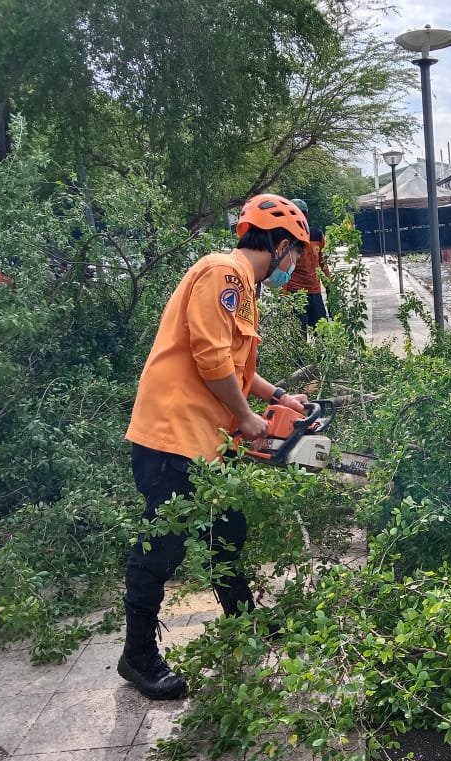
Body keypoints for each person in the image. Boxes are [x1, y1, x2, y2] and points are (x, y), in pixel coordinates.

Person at [119, 194, 310, 700]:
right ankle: (136, 655)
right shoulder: (223, 273)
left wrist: (275, 396)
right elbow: (208, 357)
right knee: (163, 545)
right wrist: (248, 419)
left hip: (202, 442)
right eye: (296, 254)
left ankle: (243, 619)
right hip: (171, 436)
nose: (294, 265)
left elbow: (232, 362)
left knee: (227, 527)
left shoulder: (240, 286)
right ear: (282, 245)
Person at [284, 198, 329, 337]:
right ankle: (301, 360)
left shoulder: (317, 235)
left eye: (300, 214)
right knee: (298, 338)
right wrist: (284, 297)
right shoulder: (287, 238)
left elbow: (323, 263)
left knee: (323, 335)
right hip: (295, 294)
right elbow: (283, 268)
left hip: (315, 292)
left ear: (306, 216)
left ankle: (322, 359)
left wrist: (329, 286)